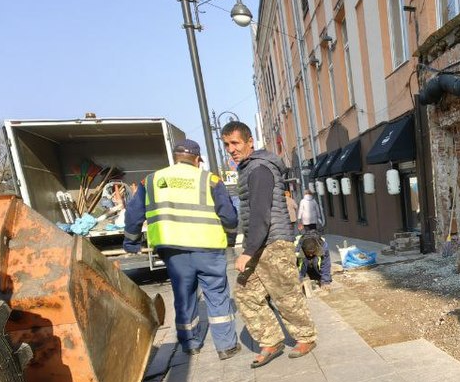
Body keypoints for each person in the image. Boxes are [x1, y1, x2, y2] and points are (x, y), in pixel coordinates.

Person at [123, 139, 240, 360]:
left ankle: (190, 344)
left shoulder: (152, 180)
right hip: (208, 248)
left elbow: (133, 213)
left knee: (184, 296)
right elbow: (229, 215)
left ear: (175, 158)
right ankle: (226, 346)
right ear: (197, 160)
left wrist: (132, 242)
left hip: (173, 251)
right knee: (217, 295)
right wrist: (231, 240)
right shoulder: (210, 180)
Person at [220, 120, 318, 367]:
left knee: (285, 294)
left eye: (235, 143)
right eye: (226, 145)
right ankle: (271, 341)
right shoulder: (249, 169)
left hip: (273, 243)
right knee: (244, 293)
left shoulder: (259, 169)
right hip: (261, 243)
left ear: (249, 142)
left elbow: (261, 213)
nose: (231, 149)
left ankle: (305, 337)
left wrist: (247, 251)